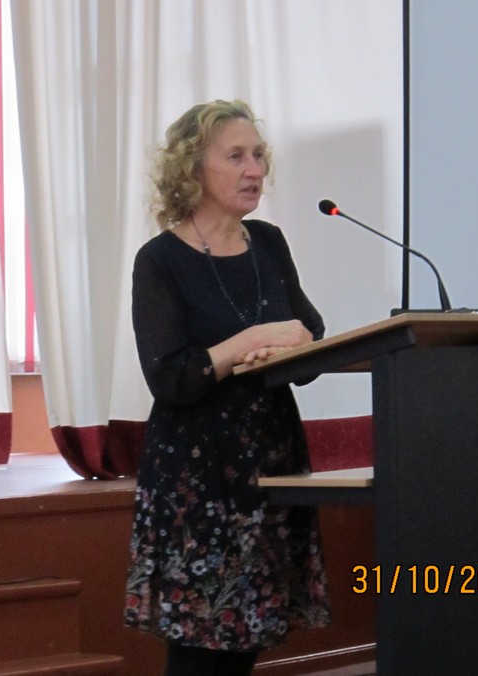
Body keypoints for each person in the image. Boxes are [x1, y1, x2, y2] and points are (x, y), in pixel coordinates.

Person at [123, 99, 331, 676]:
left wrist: (290, 345)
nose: (254, 169)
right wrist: (250, 341)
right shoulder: (160, 261)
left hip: (268, 461)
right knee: (201, 643)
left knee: (246, 637)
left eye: (258, 155)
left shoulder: (268, 242)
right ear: (193, 169)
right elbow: (170, 376)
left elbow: (309, 332)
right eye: (236, 156)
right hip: (198, 474)